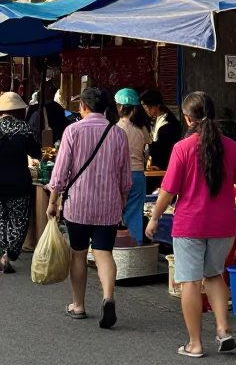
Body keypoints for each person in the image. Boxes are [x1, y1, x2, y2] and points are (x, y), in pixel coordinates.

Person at [144, 92, 236, 357]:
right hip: (223, 224)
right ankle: (224, 330)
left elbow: (168, 191)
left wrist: (154, 218)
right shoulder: (231, 146)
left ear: (188, 118)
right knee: (213, 275)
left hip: (190, 224)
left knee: (190, 282)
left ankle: (195, 343)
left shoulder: (183, 148)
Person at [47, 86, 131, 327]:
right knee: (104, 253)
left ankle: (79, 305)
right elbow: (125, 178)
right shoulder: (117, 134)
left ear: (83, 107)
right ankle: (108, 297)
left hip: (78, 205)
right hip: (108, 205)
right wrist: (121, 203)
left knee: (79, 253)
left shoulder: (72, 131)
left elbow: (61, 172)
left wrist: (53, 202)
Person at [0, 91, 41, 273]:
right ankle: (10, 252)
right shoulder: (25, 129)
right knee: (18, 219)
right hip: (19, 181)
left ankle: (1, 254)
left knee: (0, 219)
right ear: (17, 111)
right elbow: (37, 152)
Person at [115, 88, 151, 243]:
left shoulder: (117, 129)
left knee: (117, 213)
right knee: (135, 213)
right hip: (138, 175)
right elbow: (147, 150)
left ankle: (120, 248)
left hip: (120, 174)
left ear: (120, 107)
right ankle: (136, 247)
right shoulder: (142, 128)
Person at [140, 89, 182, 170]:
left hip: (165, 167)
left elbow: (164, 150)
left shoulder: (168, 125)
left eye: (146, 108)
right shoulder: (157, 120)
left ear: (156, 106)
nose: (146, 111)